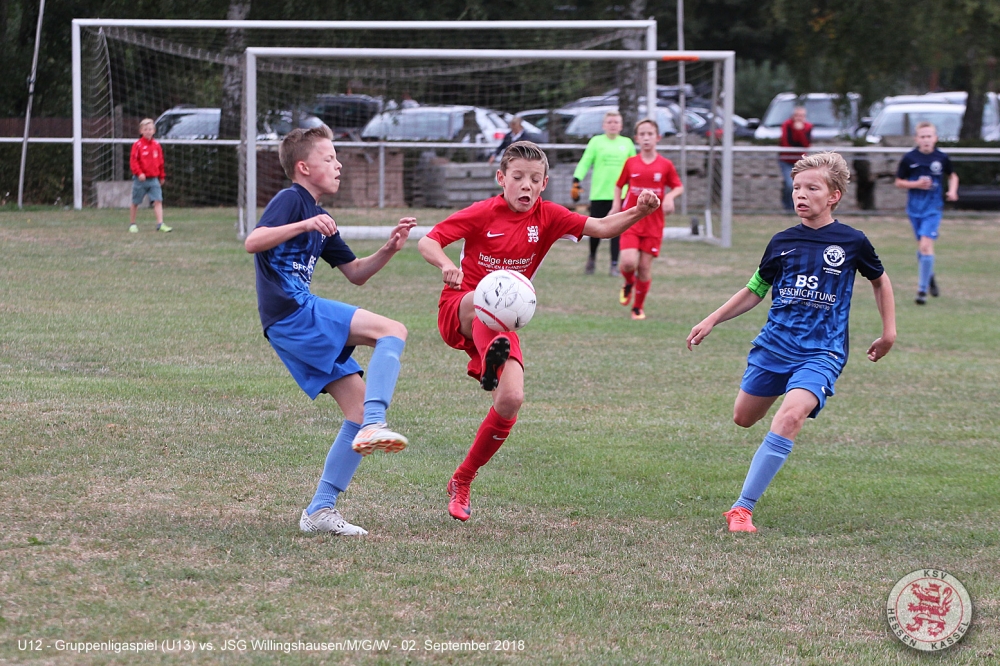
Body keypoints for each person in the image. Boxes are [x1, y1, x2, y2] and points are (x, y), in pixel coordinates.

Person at [418, 140, 660, 522]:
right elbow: (428, 240)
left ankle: (462, 479)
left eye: (534, 179)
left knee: (511, 400)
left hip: (501, 324)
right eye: (518, 177)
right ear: (501, 179)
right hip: (461, 307)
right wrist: (446, 265)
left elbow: (601, 227)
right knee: (484, 299)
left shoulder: (548, 217)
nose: (526, 185)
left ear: (544, 183)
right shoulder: (482, 212)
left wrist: (639, 210)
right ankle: (491, 360)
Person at [686, 151, 896, 533]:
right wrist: (712, 318)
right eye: (797, 187)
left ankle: (742, 509)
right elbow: (755, 289)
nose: (801, 194)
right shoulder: (782, 242)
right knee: (744, 418)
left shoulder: (852, 242)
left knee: (790, 416)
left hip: (823, 351)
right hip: (774, 346)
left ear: (833, 196)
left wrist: (889, 332)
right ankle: (781, 390)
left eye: (812, 188)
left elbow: (880, 280)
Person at [245, 125, 417, 536]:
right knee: (392, 330)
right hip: (293, 312)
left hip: (287, 325)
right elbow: (254, 240)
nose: (338, 165)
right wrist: (305, 224)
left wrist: (388, 249)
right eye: (329, 158)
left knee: (354, 409)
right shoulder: (292, 200)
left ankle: (319, 510)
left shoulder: (322, 218)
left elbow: (355, 273)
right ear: (303, 167)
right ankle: (376, 422)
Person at [612, 118, 684, 320]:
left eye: (650, 134)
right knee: (628, 263)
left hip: (654, 223)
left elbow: (678, 186)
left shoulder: (665, 165)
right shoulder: (631, 163)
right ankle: (628, 282)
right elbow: (619, 185)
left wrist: (669, 197)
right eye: (642, 134)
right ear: (636, 138)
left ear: (657, 138)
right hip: (631, 220)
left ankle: (637, 307)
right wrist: (616, 206)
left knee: (644, 267)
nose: (646, 138)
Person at [894, 121, 959, 305]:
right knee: (923, 248)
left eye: (929, 136)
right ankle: (929, 276)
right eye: (922, 137)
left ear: (935, 138)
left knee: (925, 246)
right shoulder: (909, 158)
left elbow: (952, 175)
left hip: (933, 208)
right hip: (914, 209)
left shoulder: (941, 157)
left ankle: (921, 291)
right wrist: (915, 184)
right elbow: (899, 182)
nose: (926, 140)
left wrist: (952, 191)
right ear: (917, 139)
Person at [571, 111, 636, 276]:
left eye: (616, 122)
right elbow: (585, 161)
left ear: (621, 126)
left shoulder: (627, 143)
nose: (613, 125)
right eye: (610, 122)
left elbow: (635, 166)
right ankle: (592, 257)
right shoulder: (596, 142)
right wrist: (577, 180)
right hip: (599, 194)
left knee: (618, 231)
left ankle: (614, 264)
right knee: (595, 230)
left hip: (621, 196)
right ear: (604, 125)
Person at [129, 118, 172, 233]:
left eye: (150, 129)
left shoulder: (156, 145)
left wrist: (161, 176)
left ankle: (160, 224)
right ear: (141, 131)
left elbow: (160, 162)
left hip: (154, 179)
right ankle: (132, 224)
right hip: (140, 180)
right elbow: (134, 162)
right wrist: (139, 173)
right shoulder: (137, 145)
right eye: (145, 129)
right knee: (135, 202)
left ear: (154, 131)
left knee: (158, 200)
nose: (148, 131)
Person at [778, 106, 812, 212]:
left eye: (801, 116)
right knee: (790, 184)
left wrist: (800, 131)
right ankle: (788, 207)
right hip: (787, 160)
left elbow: (805, 144)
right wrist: (796, 130)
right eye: (797, 115)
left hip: (801, 161)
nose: (799, 118)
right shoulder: (786, 125)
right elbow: (786, 143)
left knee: (801, 185)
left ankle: (798, 206)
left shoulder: (808, 126)